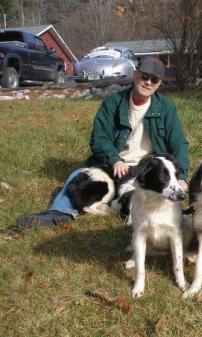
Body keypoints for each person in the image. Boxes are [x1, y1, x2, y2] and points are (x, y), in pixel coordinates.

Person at [16, 56, 189, 229]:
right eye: (144, 77)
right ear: (135, 75)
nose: (148, 83)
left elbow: (179, 144)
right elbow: (99, 138)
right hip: (113, 165)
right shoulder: (113, 103)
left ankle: (133, 216)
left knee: (139, 196)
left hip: (147, 169)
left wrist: (181, 178)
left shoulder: (166, 108)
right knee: (78, 176)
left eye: (154, 80)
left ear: (159, 83)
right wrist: (114, 159)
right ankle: (59, 213)